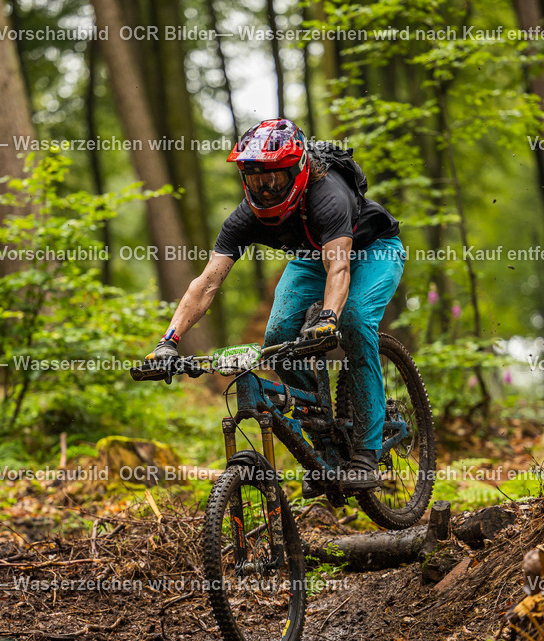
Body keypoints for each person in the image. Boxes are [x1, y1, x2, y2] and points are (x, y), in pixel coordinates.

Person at [146, 118, 406, 495]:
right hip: (309, 257)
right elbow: (207, 283)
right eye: (254, 179)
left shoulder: (328, 197)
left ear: (297, 171)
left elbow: (339, 266)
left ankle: (366, 453)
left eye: (273, 178)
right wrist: (168, 341)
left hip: (372, 251)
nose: (264, 190)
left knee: (354, 320)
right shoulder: (245, 217)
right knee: (279, 338)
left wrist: (329, 318)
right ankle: (325, 444)